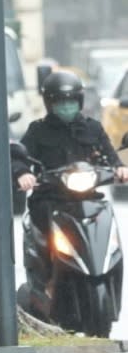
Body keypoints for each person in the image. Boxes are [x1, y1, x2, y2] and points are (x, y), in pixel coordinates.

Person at [13, 70, 128, 276]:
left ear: (80, 101)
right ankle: (46, 275)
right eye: (60, 102)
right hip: (50, 197)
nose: (66, 106)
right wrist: (22, 173)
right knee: (41, 219)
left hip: (87, 197)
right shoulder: (38, 130)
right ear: (49, 103)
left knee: (105, 220)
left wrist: (120, 168)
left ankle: (106, 269)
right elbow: (19, 155)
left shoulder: (93, 128)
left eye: (71, 101)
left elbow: (109, 154)